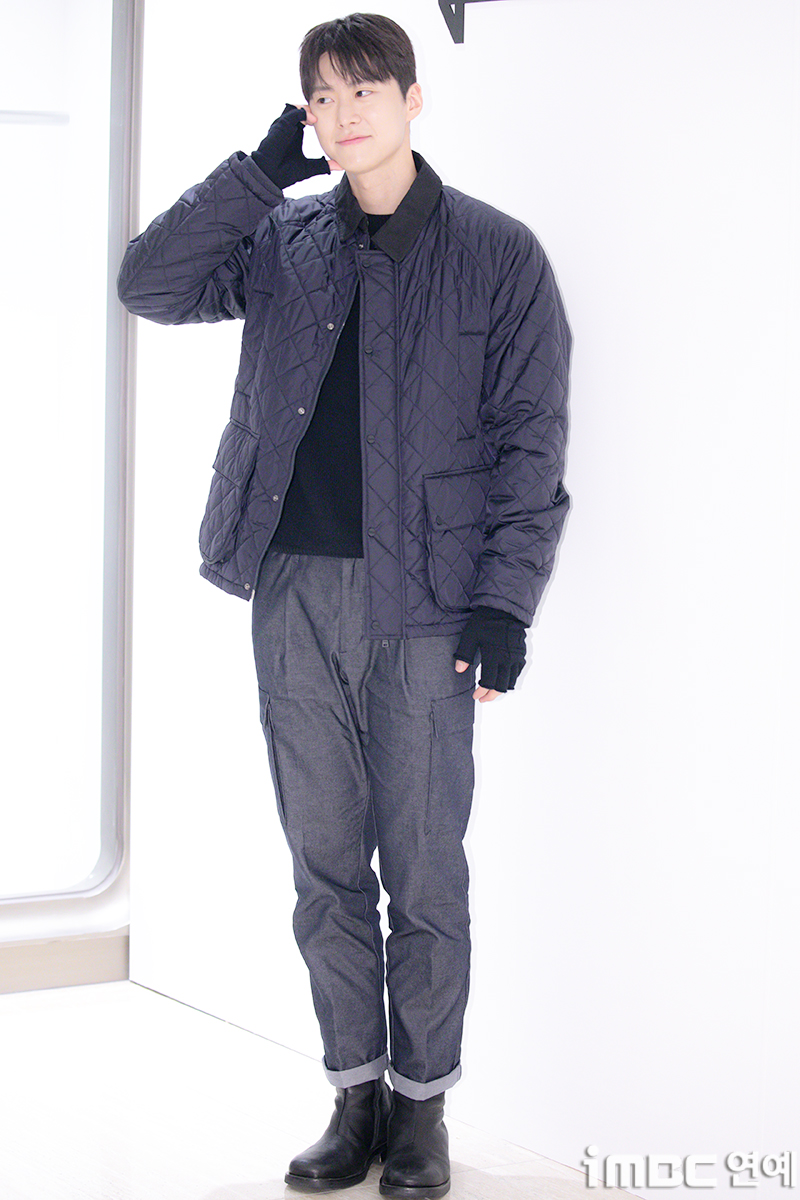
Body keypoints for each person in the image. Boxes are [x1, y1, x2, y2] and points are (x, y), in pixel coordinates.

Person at [117, 12, 571, 1197]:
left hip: (428, 608)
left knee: (422, 872)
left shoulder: (496, 253)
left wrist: (503, 607)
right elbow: (147, 284)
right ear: (306, 115)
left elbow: (530, 445)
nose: (343, 111)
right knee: (322, 866)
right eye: (321, 95)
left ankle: (420, 1112)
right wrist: (257, 174)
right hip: (292, 593)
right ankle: (354, 1094)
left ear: (413, 98)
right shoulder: (284, 236)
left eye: (365, 87)